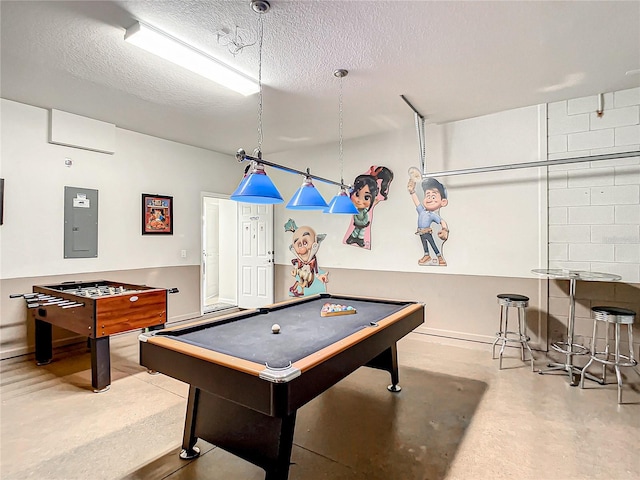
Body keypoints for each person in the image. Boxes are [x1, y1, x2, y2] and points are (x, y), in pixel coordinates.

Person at [408, 174, 449, 266]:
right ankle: (426, 255)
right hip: (420, 232)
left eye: (433, 197)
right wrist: (412, 192)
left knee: (432, 243)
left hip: (427, 231)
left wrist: (444, 229)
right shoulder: (422, 211)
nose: (430, 199)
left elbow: (442, 221)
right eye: (427, 195)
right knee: (424, 244)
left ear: (443, 201)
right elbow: (416, 202)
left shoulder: (432, 215)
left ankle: (439, 257)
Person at [345, 175, 379, 248]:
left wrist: (362, 222)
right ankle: (353, 238)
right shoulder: (355, 210)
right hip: (358, 223)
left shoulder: (365, 211)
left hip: (363, 224)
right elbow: (355, 216)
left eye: (366, 197)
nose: (359, 200)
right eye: (357, 194)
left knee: (361, 232)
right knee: (356, 231)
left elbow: (366, 218)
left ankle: (360, 240)